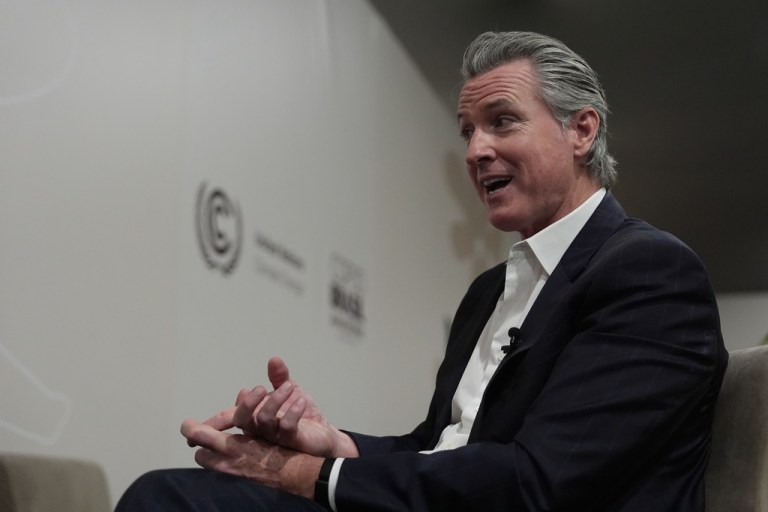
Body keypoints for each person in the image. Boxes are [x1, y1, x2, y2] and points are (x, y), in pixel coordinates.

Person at [116, 31, 727, 511]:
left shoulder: (650, 271)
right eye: (467, 132)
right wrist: (334, 445)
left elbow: (538, 483)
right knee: (168, 494)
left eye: (502, 121)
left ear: (581, 131)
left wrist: (312, 476)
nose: (475, 150)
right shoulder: (489, 291)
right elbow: (435, 447)